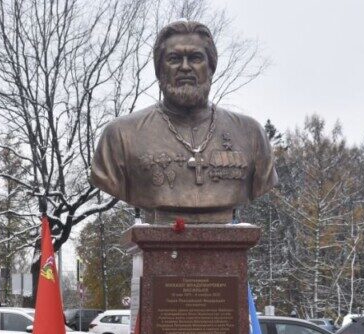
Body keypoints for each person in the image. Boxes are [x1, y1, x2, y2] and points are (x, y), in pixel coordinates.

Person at [90, 20, 276, 224]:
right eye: (174, 59)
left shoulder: (250, 134)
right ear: (159, 69)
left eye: (195, 58)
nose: (185, 67)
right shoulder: (120, 135)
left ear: (211, 67)